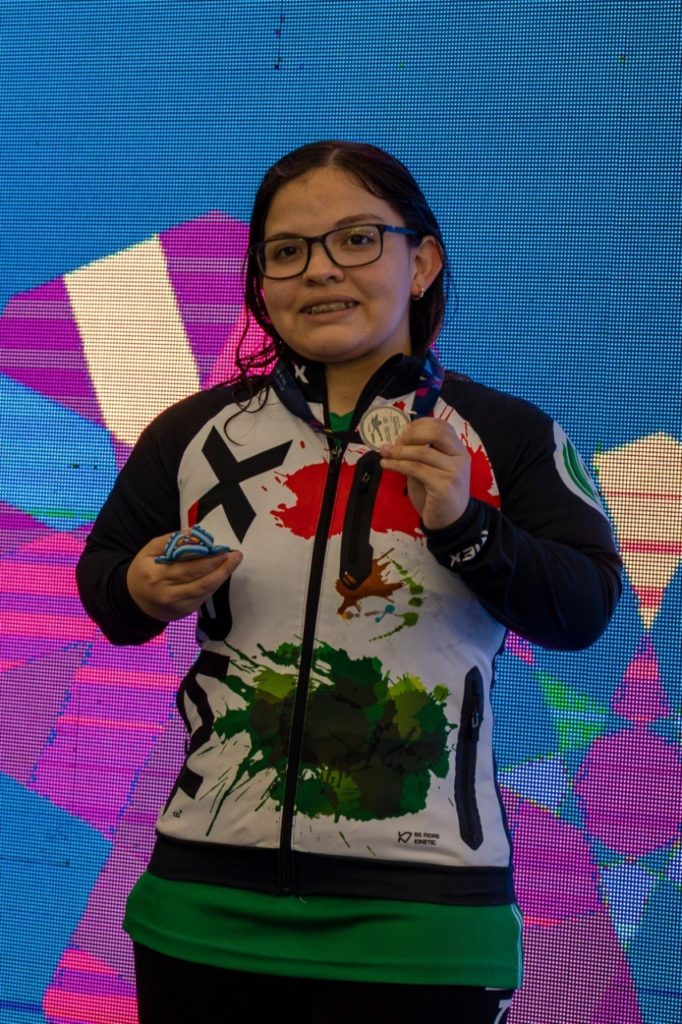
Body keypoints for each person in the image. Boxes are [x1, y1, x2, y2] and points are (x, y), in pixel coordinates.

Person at [76, 140, 622, 1023]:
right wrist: (137, 589)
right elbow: (105, 582)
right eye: (287, 251)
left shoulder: (508, 435)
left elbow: (584, 610)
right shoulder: (191, 434)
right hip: (202, 912)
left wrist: (467, 525)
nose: (320, 270)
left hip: (426, 925)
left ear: (423, 262)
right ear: (261, 283)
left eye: (357, 240)